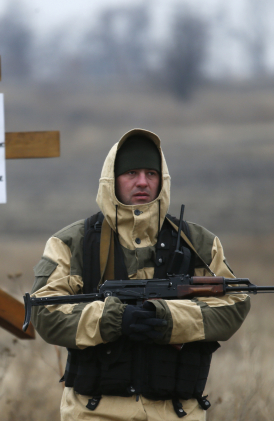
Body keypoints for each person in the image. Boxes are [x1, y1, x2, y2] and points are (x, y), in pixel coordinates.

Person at [30, 128, 251, 420]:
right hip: (96, 412)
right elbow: (45, 312)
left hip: (176, 412)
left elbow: (234, 303)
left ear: (163, 179)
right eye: (131, 173)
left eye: (151, 173)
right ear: (112, 180)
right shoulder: (73, 243)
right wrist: (112, 319)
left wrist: (169, 319)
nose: (143, 182)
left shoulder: (198, 243)